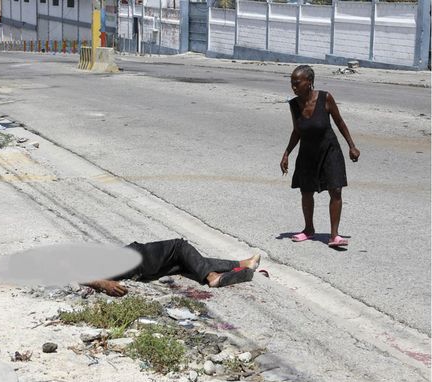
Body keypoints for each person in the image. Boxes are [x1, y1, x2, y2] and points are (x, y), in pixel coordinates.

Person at [280, 65, 360, 248]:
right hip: (307, 152)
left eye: (297, 83)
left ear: (309, 82)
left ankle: (334, 235)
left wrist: (352, 146)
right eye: (291, 83)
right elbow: (297, 131)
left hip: (329, 150)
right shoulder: (294, 104)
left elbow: (339, 122)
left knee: (336, 190)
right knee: (306, 191)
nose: (293, 87)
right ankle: (308, 229)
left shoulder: (325, 98)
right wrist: (286, 154)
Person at [85, 238, 261, 297]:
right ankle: (212, 277)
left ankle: (242, 264)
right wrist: (104, 284)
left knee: (188, 261)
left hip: (140, 271)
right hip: (137, 258)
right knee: (179, 246)